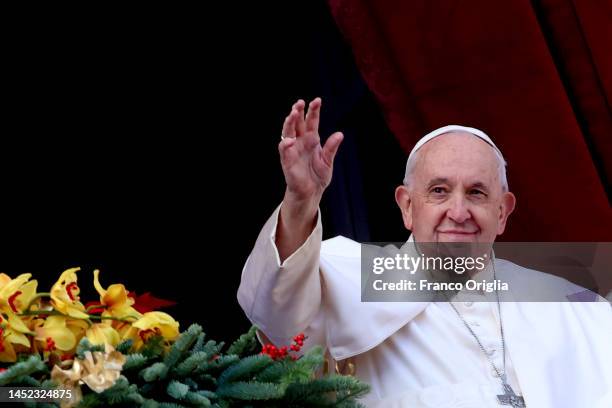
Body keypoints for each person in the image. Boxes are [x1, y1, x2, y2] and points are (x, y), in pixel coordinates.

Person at [237, 98, 612, 407]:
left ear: (503, 213)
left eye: (477, 193)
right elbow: (276, 312)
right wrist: (301, 201)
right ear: (407, 207)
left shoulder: (574, 309)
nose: (459, 212)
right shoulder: (348, 280)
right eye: (439, 191)